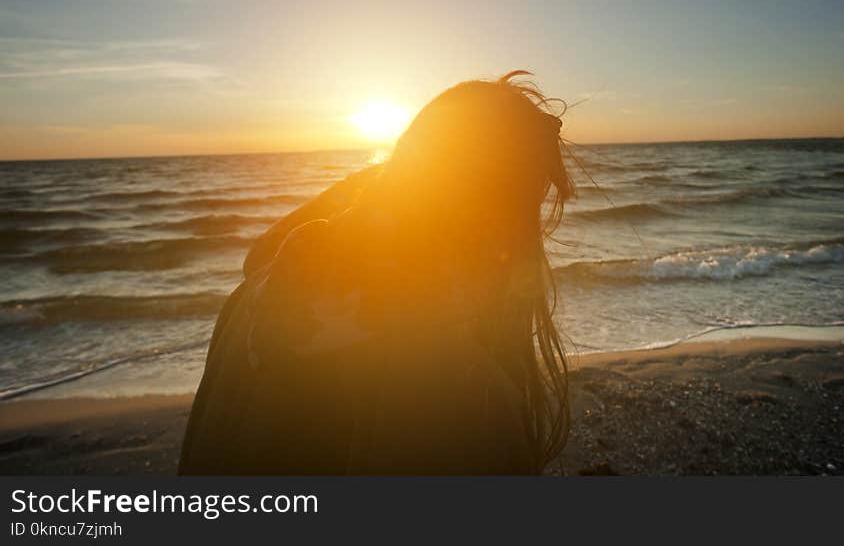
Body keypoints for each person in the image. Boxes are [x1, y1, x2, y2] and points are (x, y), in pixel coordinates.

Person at [178, 71, 575, 474]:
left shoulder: (251, 299)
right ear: (504, 219)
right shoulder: (456, 386)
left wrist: (397, 176)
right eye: (529, 208)